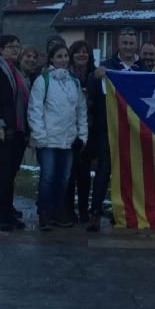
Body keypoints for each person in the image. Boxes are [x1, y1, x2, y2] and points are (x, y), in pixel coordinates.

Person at [86, 28, 145, 232]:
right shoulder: (106, 67)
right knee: (104, 171)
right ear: (117, 46)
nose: (128, 47)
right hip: (108, 129)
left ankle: (124, 212)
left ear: (136, 45)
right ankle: (95, 212)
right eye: (125, 43)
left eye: (131, 43)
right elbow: (91, 94)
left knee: (131, 174)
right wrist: (95, 77)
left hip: (136, 132)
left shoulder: (143, 68)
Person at [28, 43, 88, 231]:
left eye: (65, 56)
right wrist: (40, 136)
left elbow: (81, 111)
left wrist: (82, 136)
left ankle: (59, 211)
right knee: (48, 177)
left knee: (64, 178)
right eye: (59, 56)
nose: (63, 59)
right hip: (47, 140)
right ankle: (45, 213)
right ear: (52, 59)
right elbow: (35, 109)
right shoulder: (43, 81)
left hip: (68, 140)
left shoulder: (74, 82)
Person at [0, 35, 30, 231]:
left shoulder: (15, 71)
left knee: (8, 172)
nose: (15, 50)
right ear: (1, 49)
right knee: (3, 171)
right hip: (3, 128)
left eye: (18, 46)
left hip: (16, 128)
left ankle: (4, 208)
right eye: (11, 47)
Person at [63, 40, 95, 224]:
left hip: (88, 129)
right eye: (77, 52)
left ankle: (83, 209)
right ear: (71, 55)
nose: (82, 55)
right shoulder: (65, 75)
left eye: (85, 52)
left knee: (84, 173)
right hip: (67, 130)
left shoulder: (95, 75)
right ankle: (67, 209)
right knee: (68, 172)